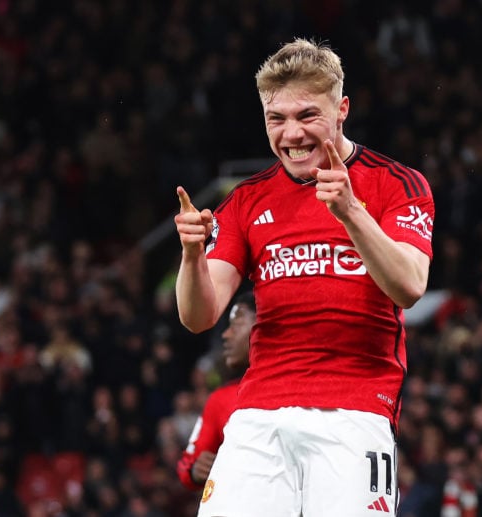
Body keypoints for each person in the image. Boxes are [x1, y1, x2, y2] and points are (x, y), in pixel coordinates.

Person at [173, 38, 434, 516]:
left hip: (355, 411)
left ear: (342, 110)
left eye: (307, 115)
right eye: (277, 119)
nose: (291, 134)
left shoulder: (396, 183)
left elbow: (410, 286)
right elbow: (198, 316)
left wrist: (350, 211)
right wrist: (191, 254)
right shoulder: (247, 200)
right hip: (258, 415)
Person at [176, 291, 255, 491]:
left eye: (236, 324)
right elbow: (187, 463)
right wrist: (195, 469)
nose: (226, 334)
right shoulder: (221, 399)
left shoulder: (304, 388)